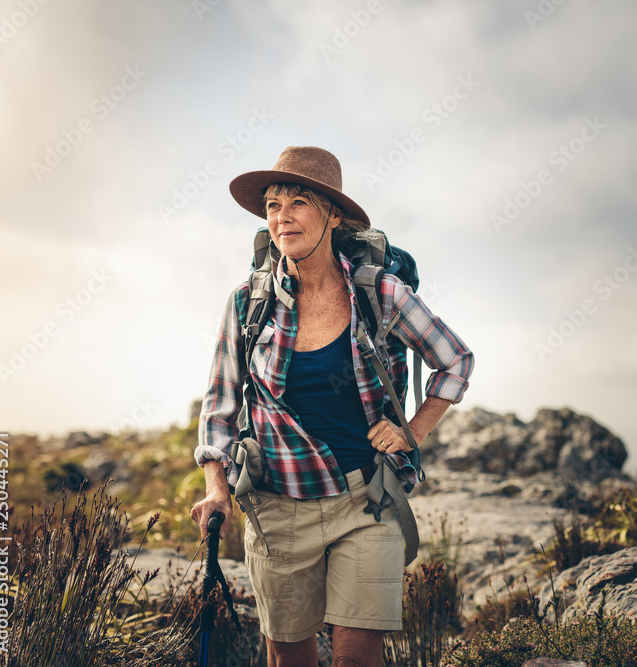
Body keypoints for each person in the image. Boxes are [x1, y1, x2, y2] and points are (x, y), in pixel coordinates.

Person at [190, 146, 474, 667]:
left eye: (299, 201)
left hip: (366, 502)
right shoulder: (246, 303)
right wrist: (217, 491)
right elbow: (220, 409)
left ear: (333, 214)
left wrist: (412, 430)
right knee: (290, 659)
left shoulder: (378, 292)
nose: (283, 216)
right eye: (274, 205)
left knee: (358, 659)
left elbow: (454, 360)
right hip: (277, 508)